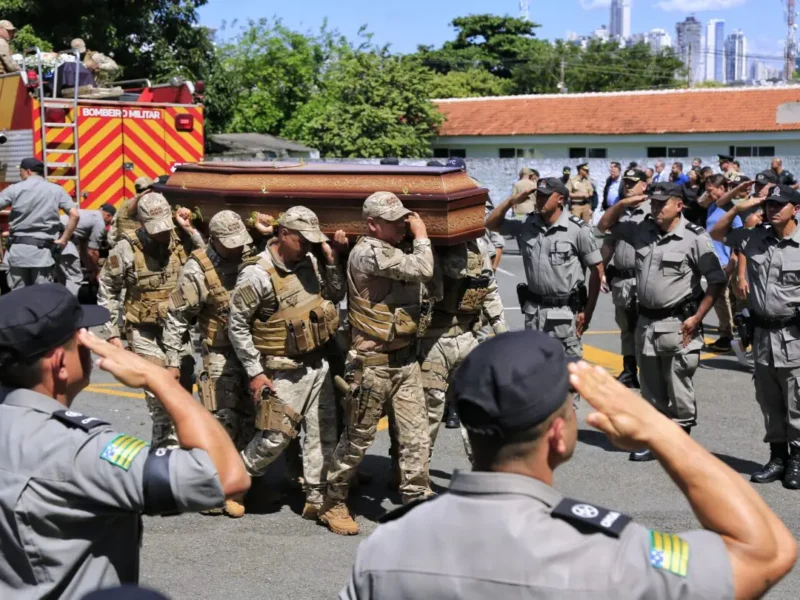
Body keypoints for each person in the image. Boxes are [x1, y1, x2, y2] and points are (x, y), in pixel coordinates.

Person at [339, 330, 797, 600]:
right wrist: (661, 431)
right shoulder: (611, 554)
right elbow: (767, 554)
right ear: (558, 436)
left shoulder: (388, 547)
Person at [0, 284, 250, 598]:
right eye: (82, 339)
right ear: (57, 365)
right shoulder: (78, 449)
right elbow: (225, 475)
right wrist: (157, 378)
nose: (91, 347)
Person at [319, 192, 434, 535]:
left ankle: (416, 497)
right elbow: (423, 268)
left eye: (403, 218)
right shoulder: (368, 253)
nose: (402, 225)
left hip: (404, 362)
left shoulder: (393, 248)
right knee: (357, 439)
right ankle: (333, 502)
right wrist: (423, 234)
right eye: (393, 221)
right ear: (372, 224)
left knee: (416, 438)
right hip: (372, 366)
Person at [228, 206, 346, 519]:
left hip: (317, 364)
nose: (308, 245)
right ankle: (233, 481)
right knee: (275, 438)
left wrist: (332, 262)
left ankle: (317, 497)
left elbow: (335, 295)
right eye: (302, 239)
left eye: (312, 239)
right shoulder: (256, 275)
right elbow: (237, 325)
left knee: (324, 434)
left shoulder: (309, 262)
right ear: (283, 233)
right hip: (282, 370)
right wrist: (255, 373)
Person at [598, 182, 726, 462]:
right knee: (651, 388)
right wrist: (622, 204)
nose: (655, 208)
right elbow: (603, 226)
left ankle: (680, 445)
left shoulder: (694, 237)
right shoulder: (641, 230)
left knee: (678, 387)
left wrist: (698, 316)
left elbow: (717, 279)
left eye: (661, 203)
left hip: (678, 323)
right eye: (652, 203)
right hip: (646, 323)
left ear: (678, 205)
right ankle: (656, 442)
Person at [163, 210, 254, 517]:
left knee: (253, 417)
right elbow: (177, 317)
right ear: (214, 240)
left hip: (252, 352)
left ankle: (241, 481)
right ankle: (214, 489)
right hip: (218, 353)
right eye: (229, 243)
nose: (236, 248)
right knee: (222, 421)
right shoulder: (197, 269)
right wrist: (173, 361)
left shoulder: (248, 254)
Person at [710, 185, 800, 489]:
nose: (773, 209)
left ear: (795, 209)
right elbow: (717, 233)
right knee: (769, 401)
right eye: (770, 204)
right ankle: (777, 458)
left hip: (794, 336)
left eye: (780, 205)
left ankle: (797, 462)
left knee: (796, 402)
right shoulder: (754, 237)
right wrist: (739, 207)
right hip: (763, 336)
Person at [97, 193, 204, 448]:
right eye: (155, 229)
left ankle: (181, 450)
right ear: (142, 223)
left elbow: (208, 262)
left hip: (177, 330)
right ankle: (162, 454)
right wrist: (112, 333)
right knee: (159, 395)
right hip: (144, 331)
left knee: (182, 394)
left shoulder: (183, 239)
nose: (162, 234)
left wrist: (191, 230)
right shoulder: (127, 247)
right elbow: (107, 289)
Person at [486, 177, 603, 364]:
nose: (539, 200)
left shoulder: (577, 230)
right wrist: (511, 201)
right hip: (534, 315)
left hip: (564, 315)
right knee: (536, 376)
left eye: (545, 196)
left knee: (568, 380)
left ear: (560, 200)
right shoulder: (528, 224)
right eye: (538, 196)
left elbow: (597, 270)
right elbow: (490, 224)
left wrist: (587, 312)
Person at [418, 238, 507, 454]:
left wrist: (502, 332)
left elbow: (489, 288)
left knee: (475, 408)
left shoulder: (478, 246)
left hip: (467, 337)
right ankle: (415, 476)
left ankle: (482, 471)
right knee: (429, 410)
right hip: (433, 341)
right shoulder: (421, 246)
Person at [601, 168, 649, 388]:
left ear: (644, 186)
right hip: (621, 280)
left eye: (633, 182)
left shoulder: (653, 210)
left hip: (645, 279)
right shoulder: (618, 211)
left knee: (645, 327)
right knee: (626, 327)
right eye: (626, 182)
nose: (628, 186)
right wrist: (601, 269)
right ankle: (629, 370)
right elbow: (607, 238)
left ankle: (649, 370)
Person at [0, 157, 80, 289]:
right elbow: (75, 214)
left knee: (18, 297)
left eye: (21, 171)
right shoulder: (56, 190)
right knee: (42, 298)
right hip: (43, 254)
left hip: (18, 253)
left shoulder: (13, 189)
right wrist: (64, 239)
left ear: (28, 171)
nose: (20, 174)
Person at [701, 174, 744, 352]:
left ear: (723, 189)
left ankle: (730, 336)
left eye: (711, 190)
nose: (708, 194)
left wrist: (733, 261)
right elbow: (700, 202)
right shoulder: (712, 206)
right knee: (720, 299)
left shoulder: (731, 210)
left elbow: (740, 238)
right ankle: (726, 335)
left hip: (726, 261)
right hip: (713, 258)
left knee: (726, 300)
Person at [57, 206, 116, 294]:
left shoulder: (88, 216)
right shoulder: (99, 222)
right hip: (62, 237)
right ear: (108, 215)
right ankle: (70, 305)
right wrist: (96, 272)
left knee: (62, 276)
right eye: (111, 221)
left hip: (53, 236)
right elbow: (92, 252)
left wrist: (91, 270)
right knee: (74, 276)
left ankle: (58, 303)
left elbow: (84, 251)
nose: (110, 224)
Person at [108, 177, 154, 248]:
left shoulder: (124, 205)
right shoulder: (151, 206)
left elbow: (113, 232)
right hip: (142, 249)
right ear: (150, 190)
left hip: (124, 246)